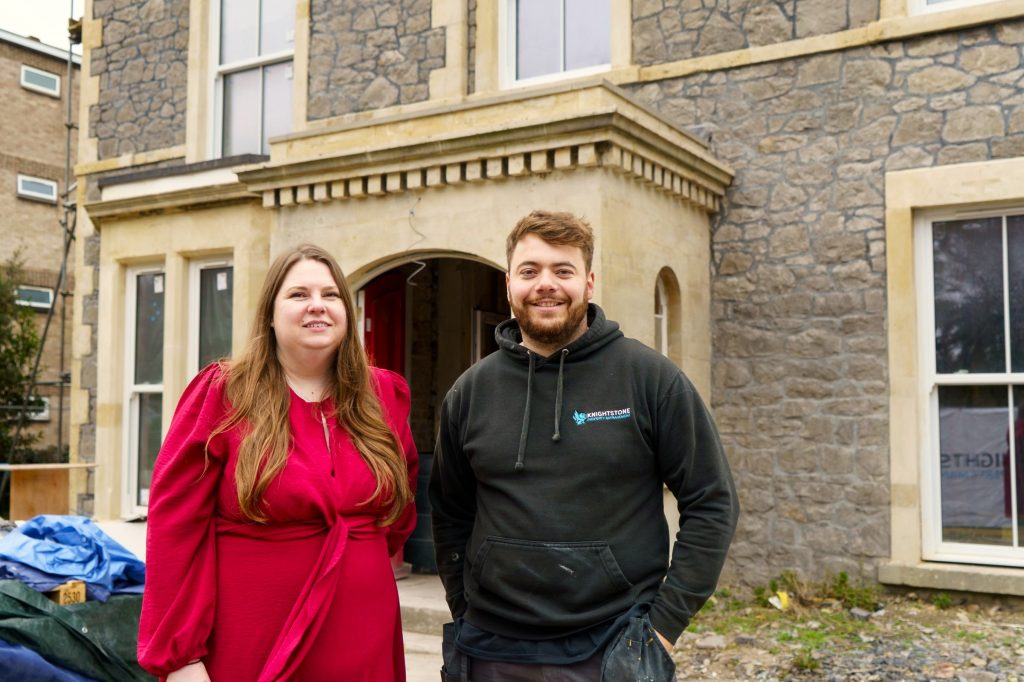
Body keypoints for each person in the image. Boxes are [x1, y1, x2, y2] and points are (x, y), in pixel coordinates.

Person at [430, 211, 739, 681]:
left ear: (589, 283)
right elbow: (449, 512)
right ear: (509, 284)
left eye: (563, 270)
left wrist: (663, 627)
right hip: (491, 648)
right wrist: (462, 605)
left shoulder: (651, 380)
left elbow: (712, 501)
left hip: (613, 648)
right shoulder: (471, 392)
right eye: (529, 271)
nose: (545, 284)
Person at [138, 244, 418, 682]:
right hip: (254, 638)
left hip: (366, 633)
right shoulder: (224, 394)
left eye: (330, 294)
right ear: (269, 313)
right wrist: (181, 659)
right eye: (298, 294)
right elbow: (175, 529)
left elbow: (399, 513)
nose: (317, 305)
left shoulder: (383, 395)